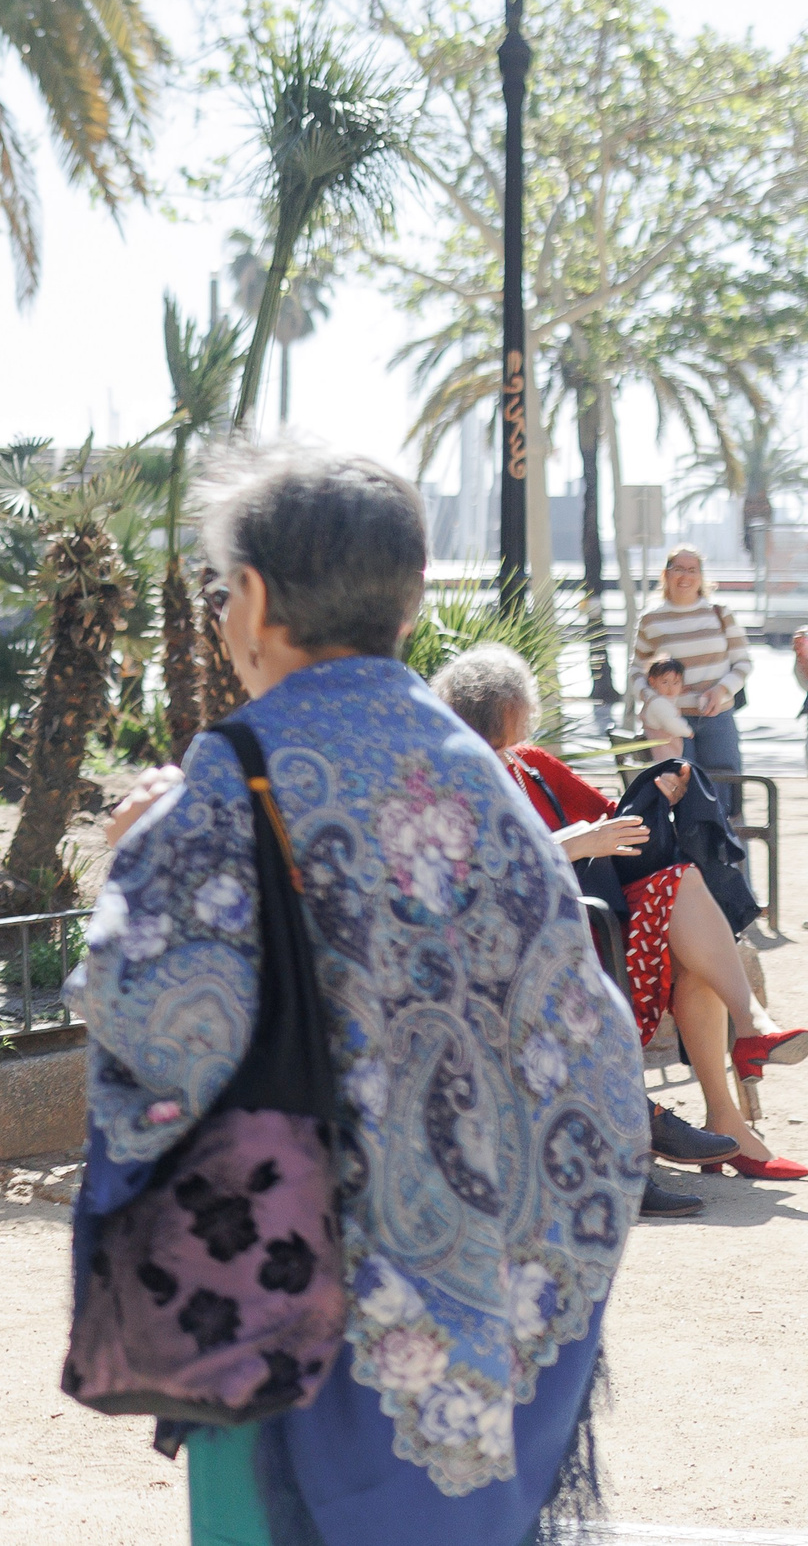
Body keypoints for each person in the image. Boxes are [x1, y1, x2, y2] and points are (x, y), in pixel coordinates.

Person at [80, 448, 647, 1546]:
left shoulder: (234, 769)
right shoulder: (474, 765)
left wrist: (131, 855)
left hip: (294, 1294)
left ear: (249, 599)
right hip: (494, 1287)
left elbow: (150, 1023)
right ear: (409, 597)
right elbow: (587, 1042)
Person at [433, 644, 808, 1185]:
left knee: (684, 897)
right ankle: (740, 1082)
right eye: (502, 723)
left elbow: (616, 821)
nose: (508, 738)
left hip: (599, 927)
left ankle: (738, 1080)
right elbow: (481, 869)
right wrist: (576, 843)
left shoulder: (530, 764)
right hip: (542, 943)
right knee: (686, 921)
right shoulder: (454, 779)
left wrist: (656, 794)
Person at [631, 544, 751, 773]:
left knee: (723, 793)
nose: (685, 576)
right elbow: (636, 670)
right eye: (678, 569)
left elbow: (743, 663)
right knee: (683, 795)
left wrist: (721, 690)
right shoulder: (651, 619)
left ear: (701, 577)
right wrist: (652, 699)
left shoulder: (720, 613)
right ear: (666, 574)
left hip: (718, 719)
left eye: (692, 569)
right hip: (671, 722)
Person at [639, 657, 693, 763]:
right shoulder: (659, 703)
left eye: (675, 683)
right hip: (664, 758)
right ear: (652, 681)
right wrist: (687, 731)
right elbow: (671, 723)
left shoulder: (653, 700)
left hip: (660, 757)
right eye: (665, 682)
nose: (670, 688)